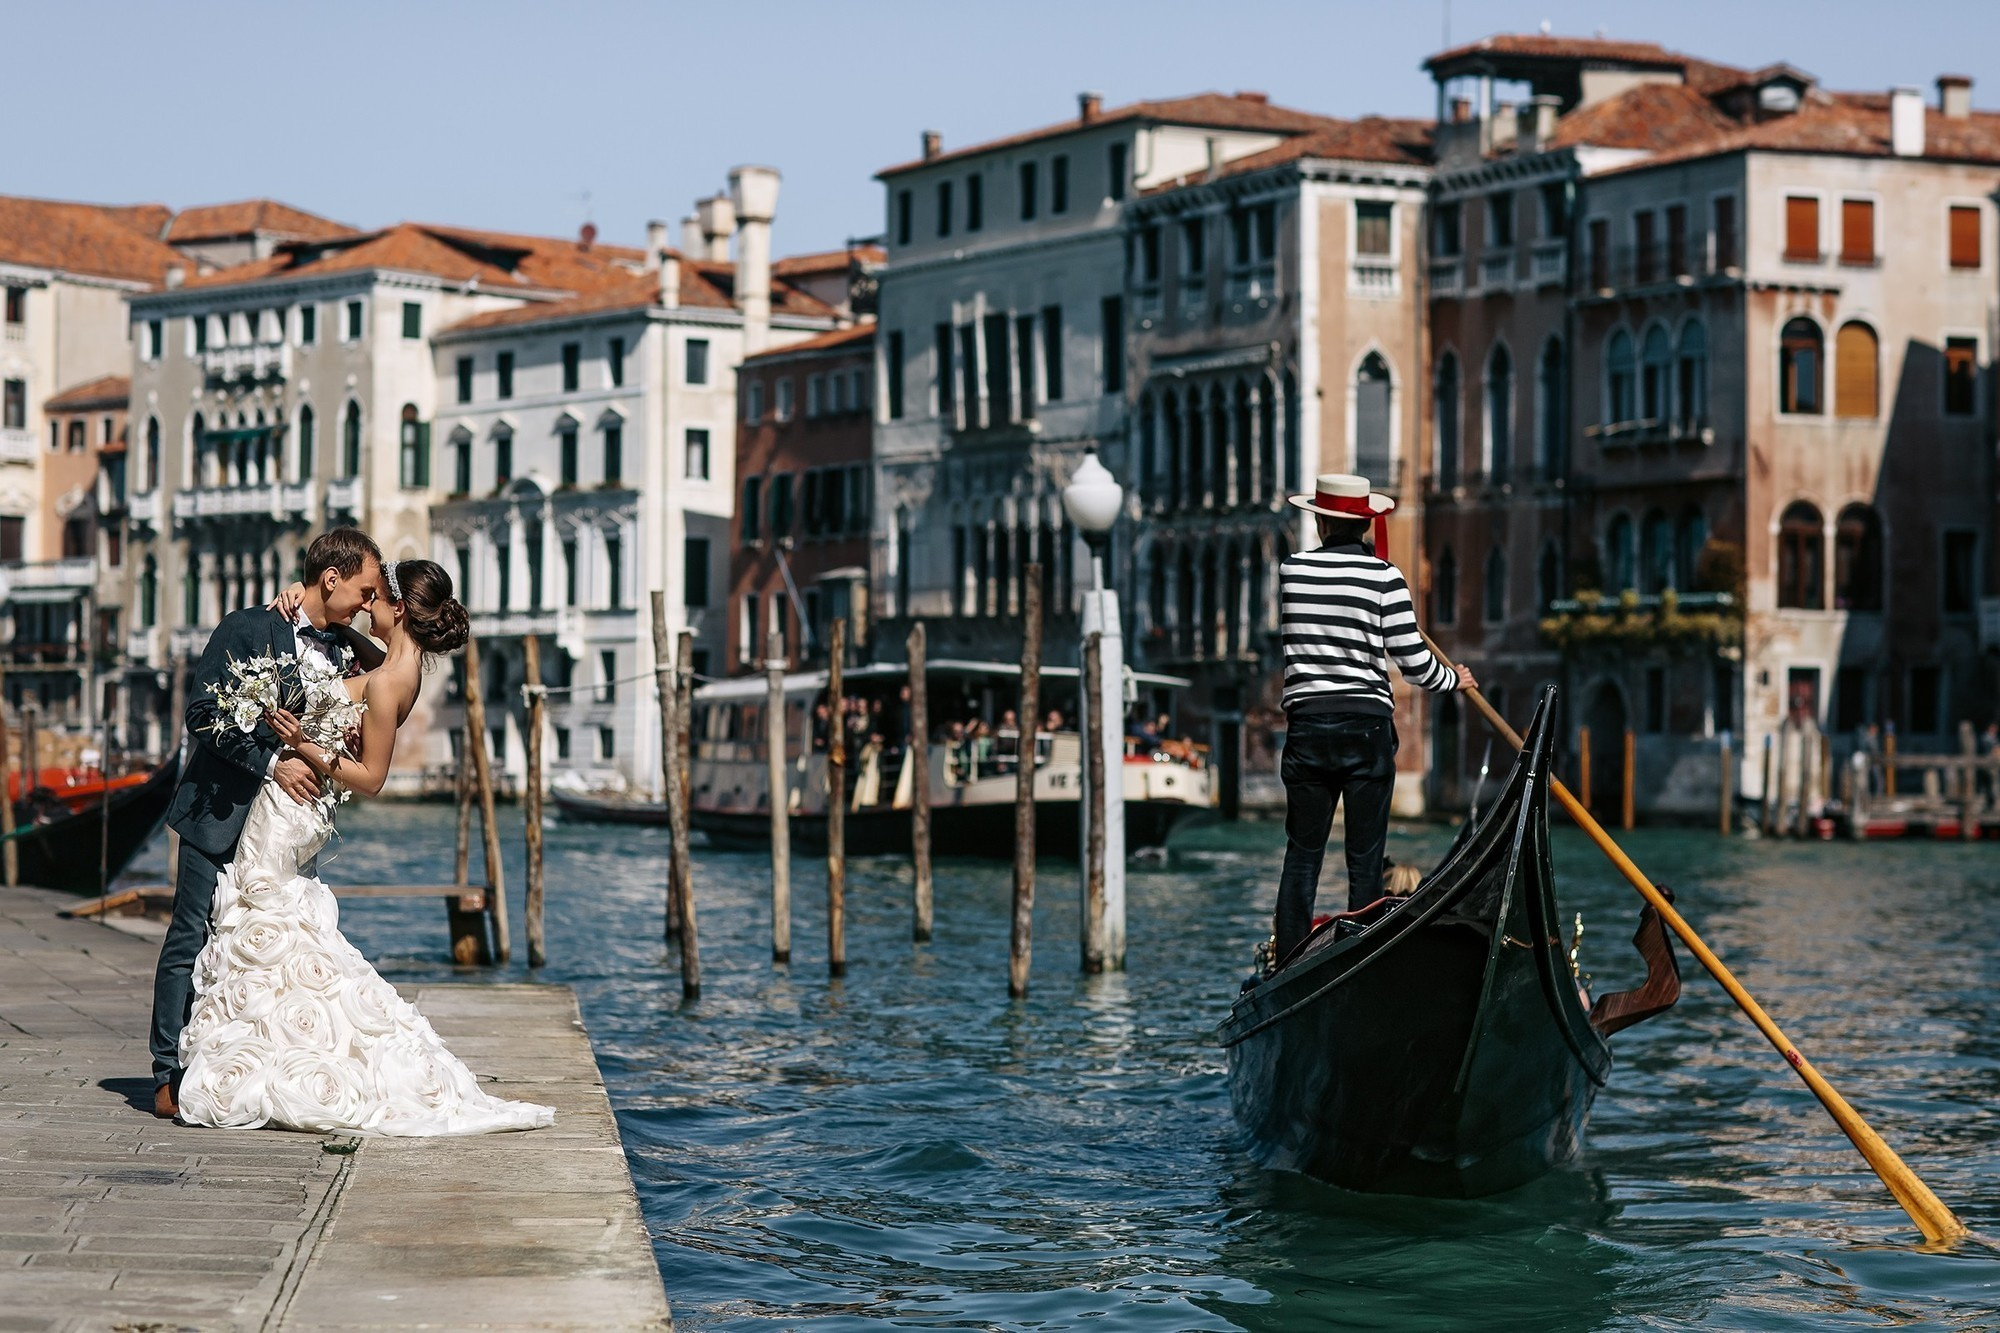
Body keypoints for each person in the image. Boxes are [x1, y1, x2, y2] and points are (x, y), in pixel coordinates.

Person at [167, 550, 554, 1136]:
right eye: (363, 592)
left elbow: (371, 777)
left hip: (294, 802)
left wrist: (303, 744)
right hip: (265, 807)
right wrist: (318, 610)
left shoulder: (388, 677)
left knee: (266, 922)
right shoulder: (385, 660)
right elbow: (357, 651)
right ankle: (207, 1058)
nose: (366, 603)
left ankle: (267, 1051)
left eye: (376, 597)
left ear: (398, 607)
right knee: (247, 926)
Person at [1273, 473, 1474, 966]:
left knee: (1302, 856)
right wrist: (1455, 681)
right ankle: (1363, 960)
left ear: (1321, 520)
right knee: (1364, 863)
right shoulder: (1385, 578)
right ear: (1365, 522)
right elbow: (1412, 662)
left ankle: (1288, 964)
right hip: (1366, 730)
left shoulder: (1291, 571)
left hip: (1308, 727)